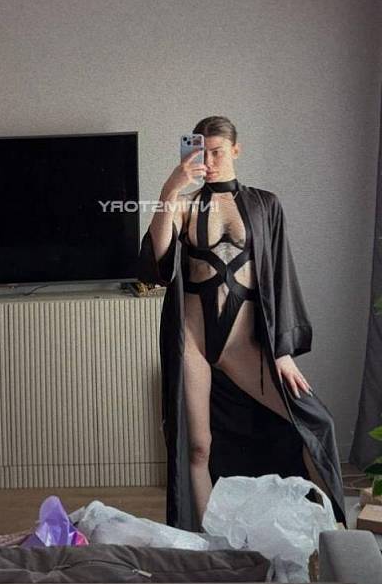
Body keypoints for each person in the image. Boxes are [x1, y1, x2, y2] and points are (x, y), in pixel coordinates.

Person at [138, 115, 347, 531]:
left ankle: (333, 533)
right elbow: (156, 263)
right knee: (198, 447)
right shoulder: (183, 204)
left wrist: (283, 352)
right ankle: (206, 544)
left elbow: (281, 276)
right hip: (194, 341)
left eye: (217, 152)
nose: (210, 161)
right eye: (202, 153)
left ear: (236, 150)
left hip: (243, 344)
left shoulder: (265, 204)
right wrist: (169, 188)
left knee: (312, 424)